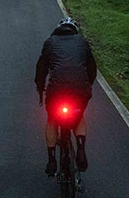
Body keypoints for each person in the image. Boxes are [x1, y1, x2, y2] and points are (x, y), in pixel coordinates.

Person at [35, 16, 97, 176]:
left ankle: (51, 160)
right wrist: (87, 86)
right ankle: (81, 150)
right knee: (79, 117)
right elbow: (92, 68)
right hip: (80, 89)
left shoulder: (50, 42)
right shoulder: (82, 42)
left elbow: (41, 70)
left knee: (51, 119)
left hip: (56, 90)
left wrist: (40, 91)